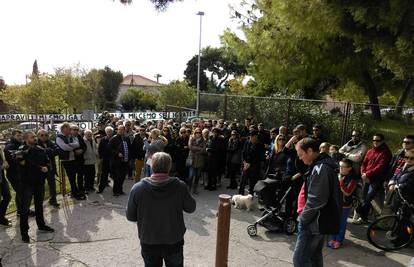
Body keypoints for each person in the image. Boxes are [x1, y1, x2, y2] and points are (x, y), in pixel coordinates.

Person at [126, 152, 196, 267]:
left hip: (149, 239)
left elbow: (130, 216)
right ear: (169, 167)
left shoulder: (138, 188)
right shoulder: (180, 186)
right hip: (173, 239)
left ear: (152, 166)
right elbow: (191, 208)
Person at [293, 137, 341, 267]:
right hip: (316, 222)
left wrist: (303, 218)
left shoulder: (321, 168)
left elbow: (316, 199)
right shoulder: (318, 165)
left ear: (309, 151)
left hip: (313, 223)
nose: (301, 158)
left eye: (301, 155)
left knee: (300, 261)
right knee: (314, 257)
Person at [18, 131, 55, 243]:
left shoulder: (40, 149)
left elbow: (47, 162)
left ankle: (41, 225)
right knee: (25, 209)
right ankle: (24, 233)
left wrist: (46, 167)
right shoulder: (21, 150)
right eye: (32, 137)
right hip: (27, 184)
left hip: (39, 182)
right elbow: (20, 161)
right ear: (25, 139)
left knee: (39, 205)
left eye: (35, 136)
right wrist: (40, 167)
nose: (35, 138)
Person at [357, 133, 392, 222]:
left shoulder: (386, 152)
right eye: (374, 140)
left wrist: (367, 174)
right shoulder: (370, 150)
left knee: (368, 197)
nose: (375, 142)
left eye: (377, 140)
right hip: (366, 177)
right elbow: (363, 163)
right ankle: (363, 217)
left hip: (377, 179)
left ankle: (362, 216)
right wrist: (363, 173)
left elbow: (381, 167)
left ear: (382, 141)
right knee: (363, 197)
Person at [328, 158, 358, 249]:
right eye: (339, 166)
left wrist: (340, 181)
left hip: (345, 204)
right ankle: (333, 238)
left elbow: (348, 192)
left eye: (342, 167)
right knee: (334, 221)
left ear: (349, 168)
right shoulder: (338, 174)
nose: (340, 168)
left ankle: (339, 240)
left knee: (341, 223)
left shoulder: (352, 179)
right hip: (335, 202)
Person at [56, 123, 85, 200]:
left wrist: (69, 145)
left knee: (73, 176)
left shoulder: (69, 136)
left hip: (73, 159)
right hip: (66, 160)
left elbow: (77, 144)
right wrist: (71, 146)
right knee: (71, 177)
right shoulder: (59, 137)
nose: (70, 130)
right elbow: (65, 148)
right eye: (69, 129)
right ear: (64, 128)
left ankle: (75, 192)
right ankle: (75, 193)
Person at [37, 129, 60, 208]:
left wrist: (45, 151)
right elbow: (38, 155)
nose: (44, 137)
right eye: (42, 135)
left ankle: (53, 200)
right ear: (38, 136)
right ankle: (40, 203)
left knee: (52, 185)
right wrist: (49, 151)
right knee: (41, 186)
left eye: (46, 135)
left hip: (50, 168)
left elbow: (57, 151)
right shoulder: (36, 143)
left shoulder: (51, 142)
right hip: (40, 169)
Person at [239, 130, 265, 195]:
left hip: (254, 168)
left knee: (252, 184)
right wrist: (244, 163)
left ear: (256, 137)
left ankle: (250, 199)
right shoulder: (247, 142)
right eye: (250, 136)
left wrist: (250, 164)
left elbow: (260, 158)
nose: (251, 138)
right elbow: (243, 153)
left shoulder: (260, 145)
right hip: (245, 166)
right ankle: (239, 197)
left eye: (252, 136)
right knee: (242, 183)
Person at [109, 125, 131, 196]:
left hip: (125, 161)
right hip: (116, 162)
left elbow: (129, 148)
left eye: (122, 129)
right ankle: (115, 191)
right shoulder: (114, 138)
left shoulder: (126, 138)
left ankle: (120, 190)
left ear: (124, 130)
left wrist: (129, 157)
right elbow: (110, 149)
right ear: (117, 130)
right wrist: (117, 153)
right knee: (117, 177)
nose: (121, 131)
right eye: (119, 129)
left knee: (122, 176)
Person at [188, 127, 206, 194]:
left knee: (197, 176)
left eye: (199, 132)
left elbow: (204, 149)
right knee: (191, 176)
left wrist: (195, 149)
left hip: (200, 160)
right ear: (194, 132)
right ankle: (189, 188)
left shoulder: (203, 140)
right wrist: (199, 148)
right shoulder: (191, 138)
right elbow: (190, 147)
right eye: (196, 132)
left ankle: (195, 189)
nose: (198, 134)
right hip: (192, 159)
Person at [97, 126, 114, 194]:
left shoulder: (114, 139)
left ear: (112, 132)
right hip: (105, 160)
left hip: (113, 160)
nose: (109, 133)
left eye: (110, 132)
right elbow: (100, 149)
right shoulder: (103, 139)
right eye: (107, 132)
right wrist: (101, 157)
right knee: (104, 175)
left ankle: (116, 190)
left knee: (115, 175)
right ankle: (100, 189)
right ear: (106, 132)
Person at [0, 146, 11, 226]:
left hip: (2, 178)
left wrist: (5, 162)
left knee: (7, 196)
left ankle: (1, 217)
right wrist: (1, 167)